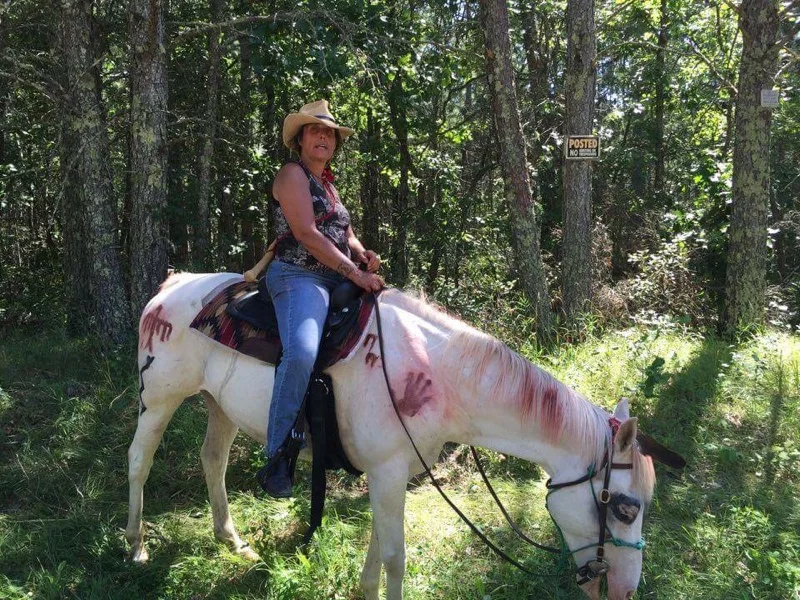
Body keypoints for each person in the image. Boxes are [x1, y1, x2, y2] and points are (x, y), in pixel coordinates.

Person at [257, 100, 384, 498]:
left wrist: (362, 253)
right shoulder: (291, 175)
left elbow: (346, 234)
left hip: (336, 276)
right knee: (302, 352)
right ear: (300, 139)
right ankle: (278, 456)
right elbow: (307, 234)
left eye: (329, 133)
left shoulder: (328, 185)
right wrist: (355, 273)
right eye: (315, 130)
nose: (324, 137)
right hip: (299, 276)